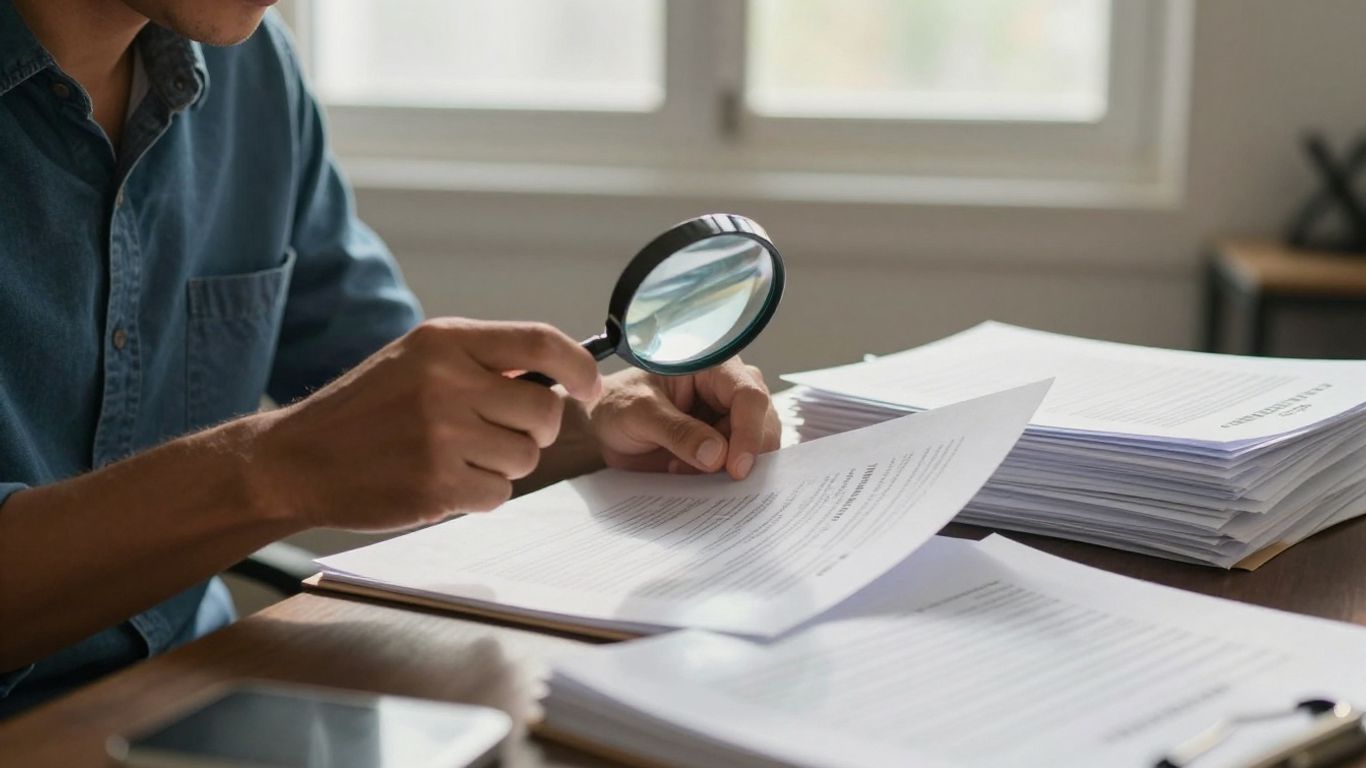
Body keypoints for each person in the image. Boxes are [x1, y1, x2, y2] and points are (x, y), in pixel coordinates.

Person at [0, 0, 780, 718]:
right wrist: (272, 470)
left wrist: (601, 420)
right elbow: (321, 445)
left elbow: (402, 403)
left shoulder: (253, 72)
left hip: (192, 698)